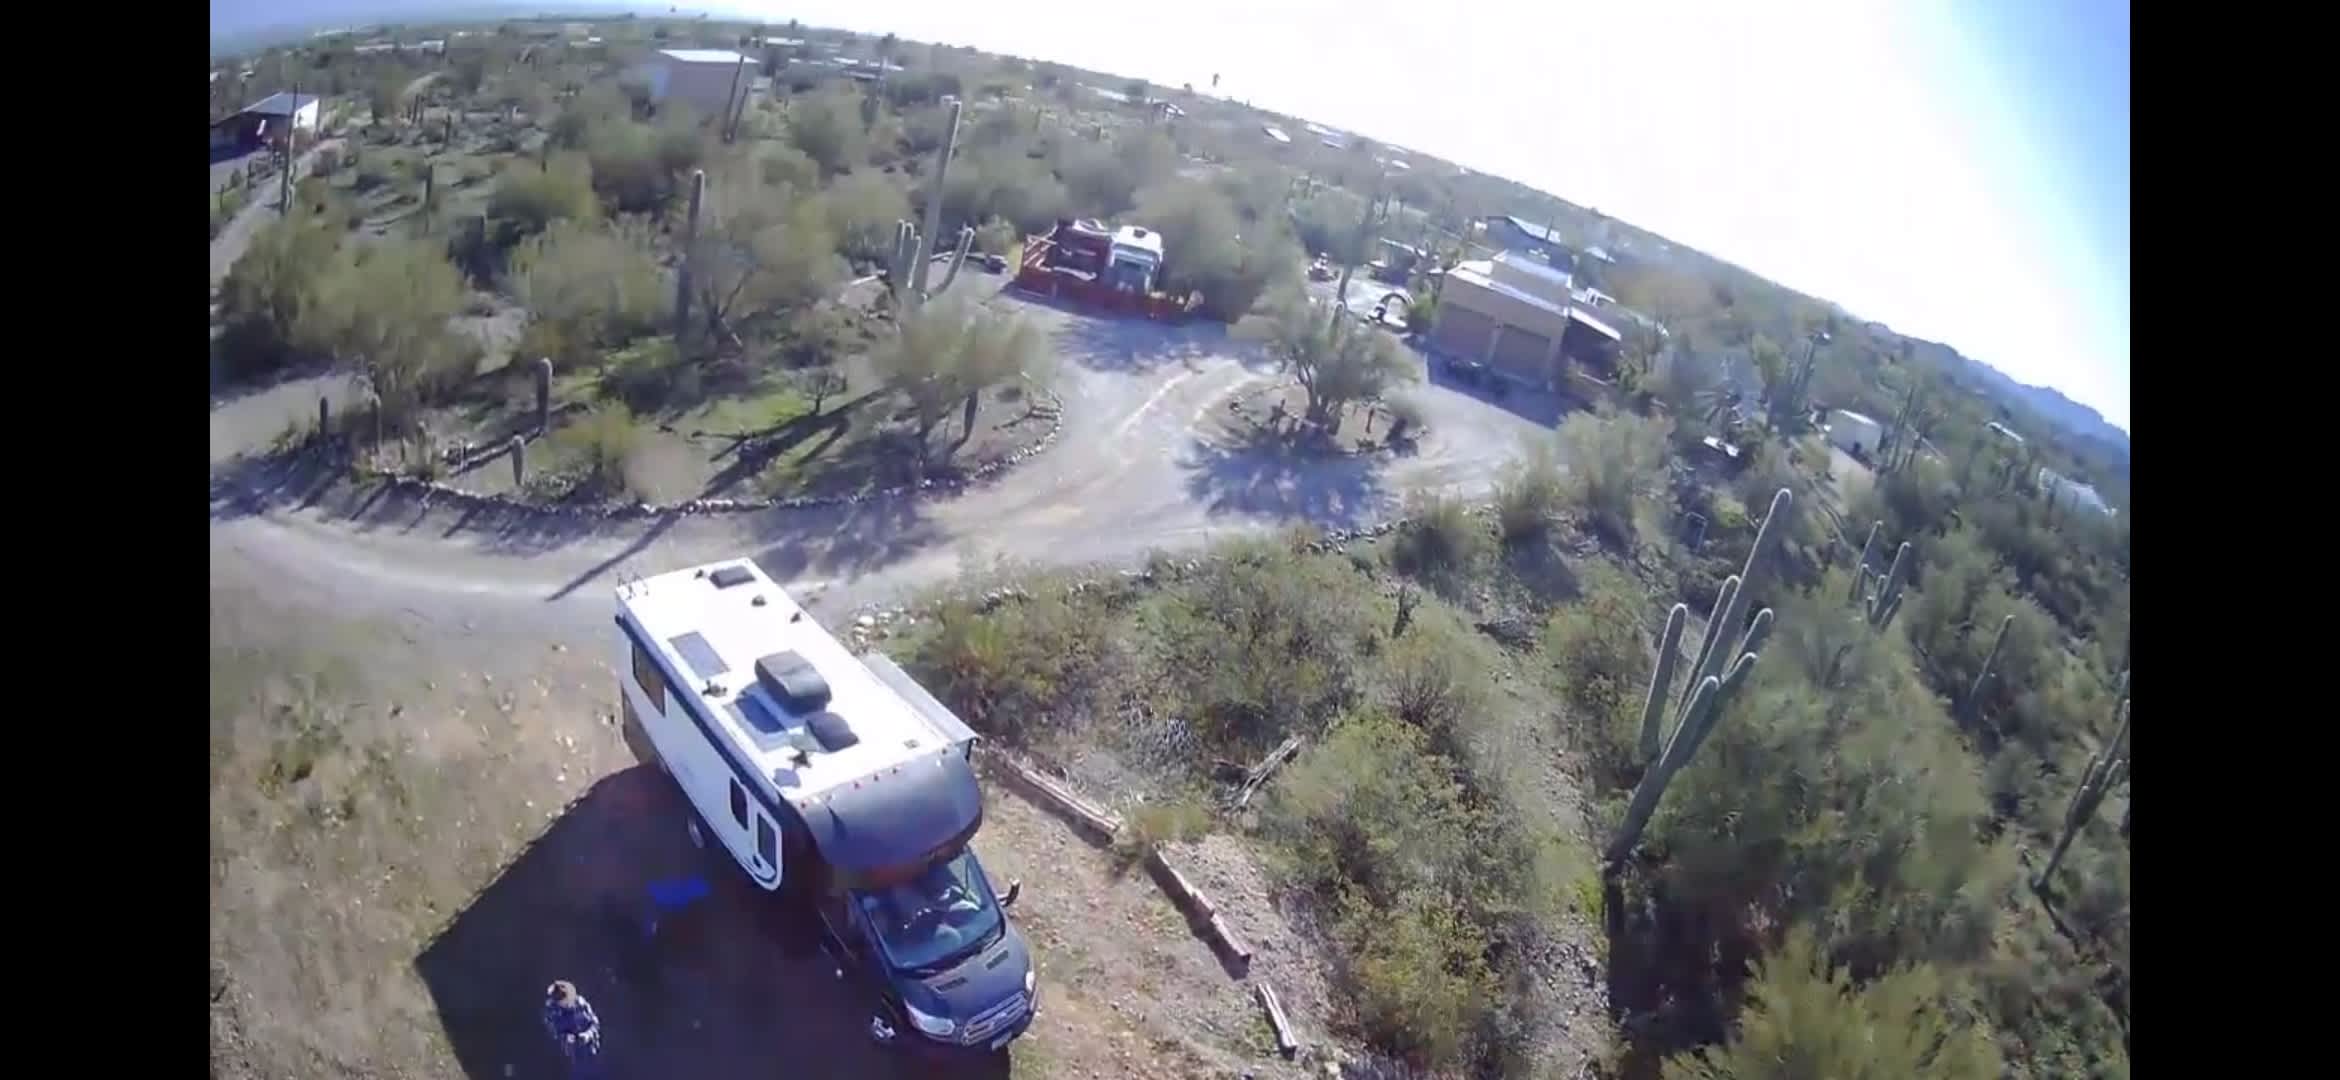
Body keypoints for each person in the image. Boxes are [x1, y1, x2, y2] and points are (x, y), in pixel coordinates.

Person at [542, 980, 603, 1078]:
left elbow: (594, 1023)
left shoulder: (580, 1003)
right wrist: (564, 1038)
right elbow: (550, 1031)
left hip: (588, 1053)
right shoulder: (551, 1010)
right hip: (564, 1060)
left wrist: (587, 1035)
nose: (565, 1003)